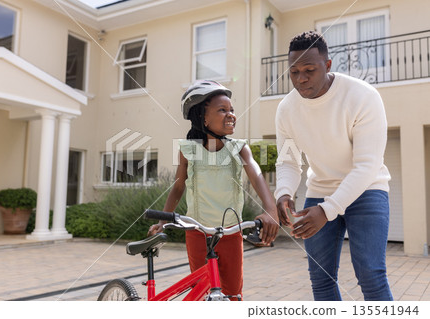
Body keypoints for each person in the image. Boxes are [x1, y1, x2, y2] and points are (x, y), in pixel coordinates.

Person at [275, 31, 393, 301]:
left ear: (327, 66)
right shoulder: (286, 109)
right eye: (294, 72)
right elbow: (288, 160)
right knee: (321, 280)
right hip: (320, 190)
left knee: (371, 275)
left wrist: (328, 210)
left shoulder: (362, 96)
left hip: (368, 190)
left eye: (309, 70)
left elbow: (366, 165)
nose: (301, 78)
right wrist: (283, 193)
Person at [148, 80, 279, 300]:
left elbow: (255, 174)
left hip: (230, 233)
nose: (231, 114)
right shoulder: (188, 151)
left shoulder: (239, 148)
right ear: (203, 118)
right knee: (201, 293)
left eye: (232, 110)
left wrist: (270, 209)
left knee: (233, 295)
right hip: (197, 233)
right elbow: (179, 186)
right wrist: (162, 222)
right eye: (222, 110)